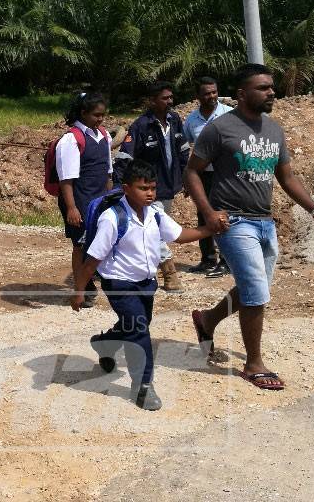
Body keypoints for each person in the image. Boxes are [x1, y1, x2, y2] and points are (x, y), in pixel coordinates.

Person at [185, 64, 314, 391]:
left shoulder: (274, 130)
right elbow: (192, 171)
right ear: (242, 94)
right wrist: (208, 212)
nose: (272, 92)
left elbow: (287, 177)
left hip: (264, 222)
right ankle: (254, 363)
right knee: (255, 291)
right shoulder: (219, 129)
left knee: (256, 290)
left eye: (271, 87)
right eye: (263, 88)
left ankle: (207, 320)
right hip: (233, 221)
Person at [70, 160, 220, 410]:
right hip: (119, 284)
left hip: (146, 283)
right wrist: (79, 292)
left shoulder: (155, 214)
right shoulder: (113, 217)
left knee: (136, 325)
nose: (150, 193)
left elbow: (180, 236)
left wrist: (209, 229)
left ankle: (104, 343)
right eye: (143, 188)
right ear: (127, 189)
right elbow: (92, 259)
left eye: (152, 187)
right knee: (139, 331)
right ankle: (143, 387)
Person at [115, 81, 189, 293]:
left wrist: (186, 178)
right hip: (146, 188)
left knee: (158, 231)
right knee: (153, 228)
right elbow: (125, 156)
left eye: (170, 98)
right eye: (165, 98)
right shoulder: (140, 126)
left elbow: (183, 151)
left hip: (168, 186)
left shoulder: (175, 120)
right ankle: (169, 272)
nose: (170, 102)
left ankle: (141, 267)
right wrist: (120, 186)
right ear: (152, 101)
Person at [56, 92, 113, 308]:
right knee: (80, 245)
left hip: (99, 201)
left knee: (100, 242)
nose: (100, 119)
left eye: (102, 115)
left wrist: (109, 200)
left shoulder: (104, 136)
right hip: (79, 202)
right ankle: (83, 288)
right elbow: (66, 179)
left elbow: (108, 173)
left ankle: (94, 279)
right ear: (83, 113)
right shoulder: (71, 140)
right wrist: (71, 207)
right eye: (96, 115)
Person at [183, 76, 234, 277]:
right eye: (206, 93)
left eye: (214, 92)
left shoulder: (229, 114)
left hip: (225, 175)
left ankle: (226, 260)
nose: (212, 96)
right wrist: (187, 179)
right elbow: (187, 148)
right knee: (203, 214)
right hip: (202, 175)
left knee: (223, 215)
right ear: (198, 96)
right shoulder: (191, 120)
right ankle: (207, 259)